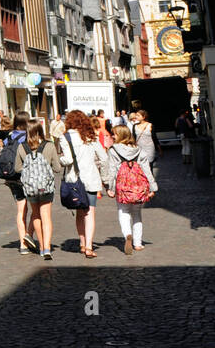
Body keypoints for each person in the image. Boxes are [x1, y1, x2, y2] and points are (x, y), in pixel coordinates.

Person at [56, 110, 108, 259]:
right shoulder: (91, 136)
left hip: (74, 180)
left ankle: (82, 243)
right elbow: (104, 158)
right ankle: (90, 246)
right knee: (89, 213)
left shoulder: (65, 137)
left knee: (79, 212)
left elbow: (68, 160)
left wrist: (60, 160)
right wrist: (105, 179)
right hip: (91, 179)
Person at [103, 123, 157, 255]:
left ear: (120, 135)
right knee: (137, 214)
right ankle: (137, 243)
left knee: (123, 212)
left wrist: (110, 188)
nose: (112, 136)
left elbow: (112, 170)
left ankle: (127, 234)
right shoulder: (138, 150)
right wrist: (152, 187)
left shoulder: (113, 150)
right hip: (138, 187)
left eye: (114, 134)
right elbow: (146, 170)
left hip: (122, 188)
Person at [17, 116, 65, 260]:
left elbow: (17, 168)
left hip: (31, 188)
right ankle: (47, 248)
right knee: (46, 217)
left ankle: (41, 244)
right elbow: (57, 168)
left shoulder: (22, 147)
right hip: (46, 187)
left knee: (36, 215)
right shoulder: (49, 146)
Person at [0, 113, 35, 255]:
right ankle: (28, 235)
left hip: (11, 177)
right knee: (36, 210)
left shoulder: (9, 136)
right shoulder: (28, 136)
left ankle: (23, 244)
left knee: (21, 211)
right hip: (25, 176)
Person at [130, 110, 158, 180]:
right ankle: (143, 182)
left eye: (138, 115)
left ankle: (151, 183)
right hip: (139, 149)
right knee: (140, 167)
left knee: (149, 166)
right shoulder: (134, 126)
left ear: (144, 117)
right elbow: (133, 138)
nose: (136, 117)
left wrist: (159, 149)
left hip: (149, 148)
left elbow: (154, 138)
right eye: (136, 115)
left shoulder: (150, 125)